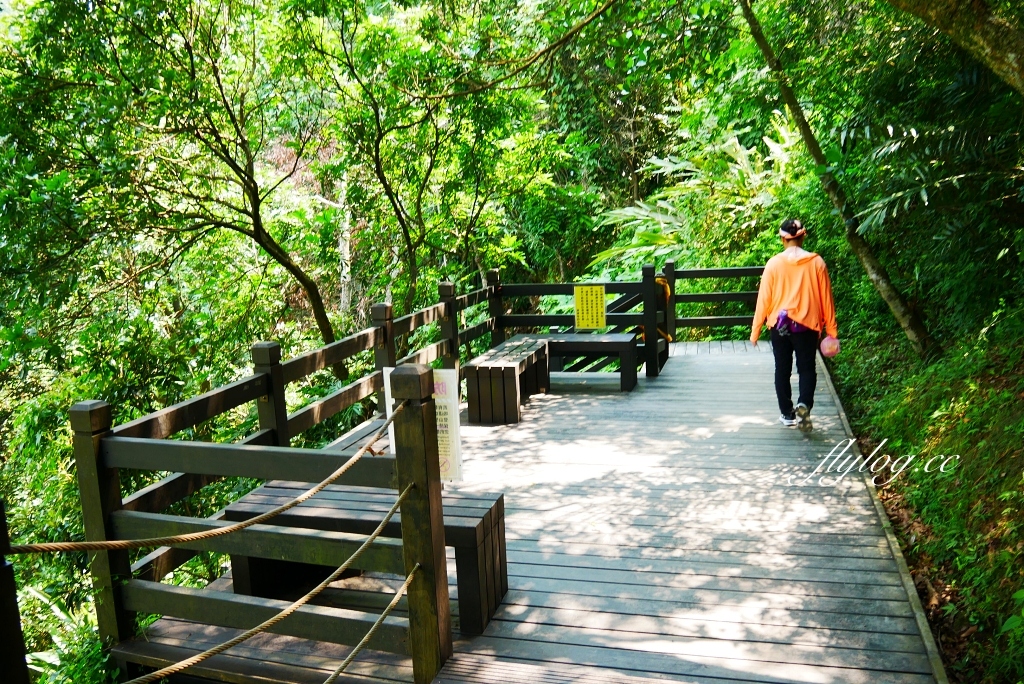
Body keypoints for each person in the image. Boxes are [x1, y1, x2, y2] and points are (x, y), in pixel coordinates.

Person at [750, 219, 838, 432]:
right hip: (807, 326)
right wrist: (832, 331)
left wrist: (756, 330)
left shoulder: (773, 264)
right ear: (803, 235)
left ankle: (787, 414)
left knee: (782, 368)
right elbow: (826, 299)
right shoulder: (817, 263)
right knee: (807, 368)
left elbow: (764, 299)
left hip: (779, 325)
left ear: (782, 239)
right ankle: (804, 404)